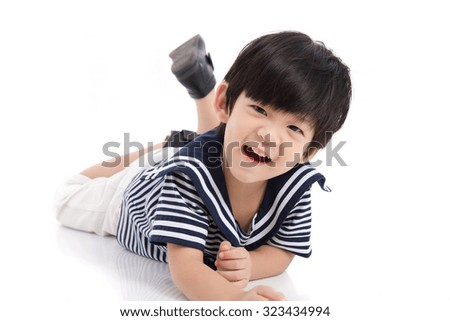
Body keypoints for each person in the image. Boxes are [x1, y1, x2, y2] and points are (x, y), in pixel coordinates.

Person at [54, 31, 352, 301]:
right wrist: (236, 301)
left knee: (219, 146)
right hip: (130, 197)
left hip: (207, 153)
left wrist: (251, 263)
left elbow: (283, 250)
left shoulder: (296, 188)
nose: (269, 135)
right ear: (225, 102)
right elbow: (186, 268)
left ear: (309, 152)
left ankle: (182, 141)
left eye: (294, 129)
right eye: (259, 110)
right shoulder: (187, 180)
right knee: (67, 195)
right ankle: (165, 149)